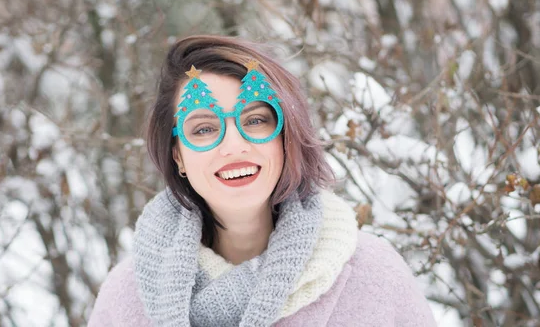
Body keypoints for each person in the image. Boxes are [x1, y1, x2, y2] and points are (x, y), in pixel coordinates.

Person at [88, 35, 436, 326]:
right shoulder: (125, 299)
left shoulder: (375, 276)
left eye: (255, 120)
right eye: (205, 128)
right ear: (177, 154)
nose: (234, 145)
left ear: (287, 136)